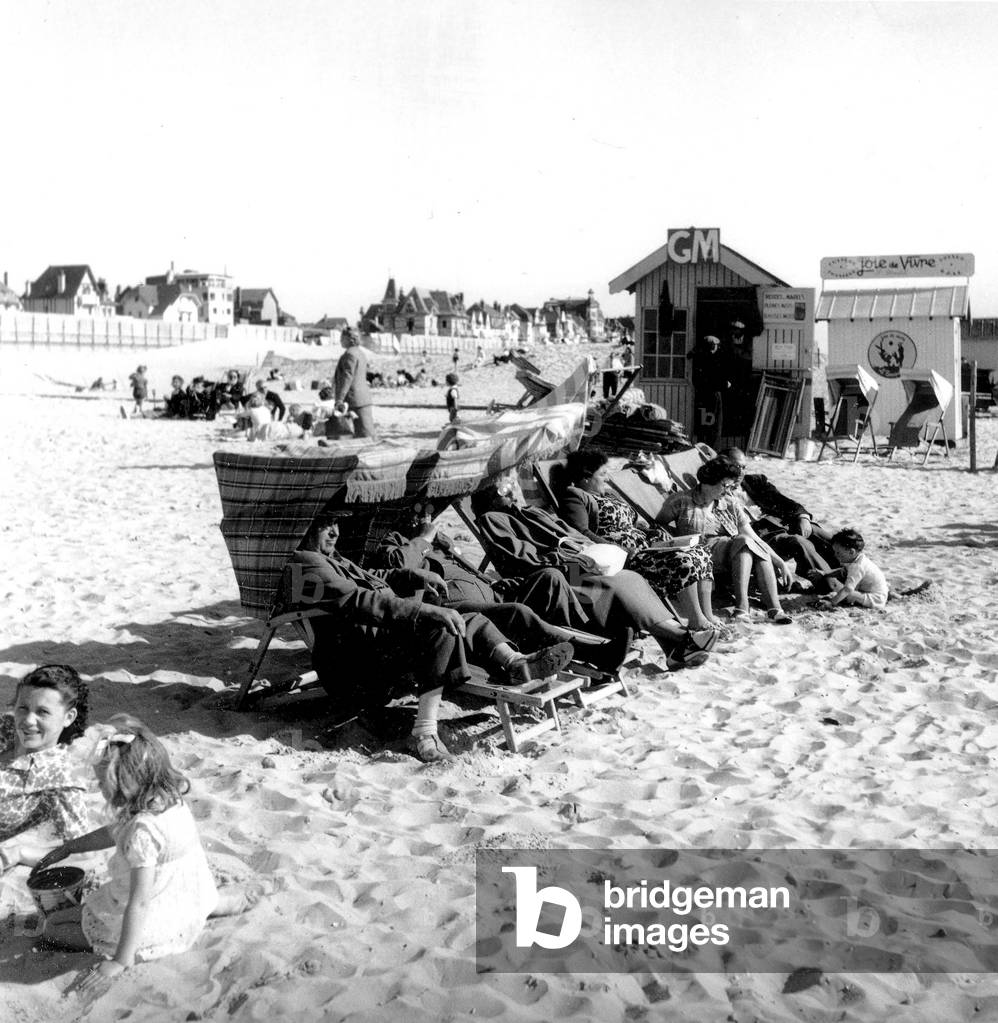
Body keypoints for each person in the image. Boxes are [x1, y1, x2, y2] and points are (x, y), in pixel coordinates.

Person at [279, 516, 576, 762]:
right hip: (355, 666)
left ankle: (515, 662)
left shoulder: (328, 558)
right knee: (439, 626)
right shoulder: (303, 565)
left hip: (374, 645)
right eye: (326, 525)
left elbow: (374, 576)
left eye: (336, 524)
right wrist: (423, 610)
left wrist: (414, 577)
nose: (335, 532)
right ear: (303, 526)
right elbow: (360, 601)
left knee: (468, 619)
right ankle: (424, 734)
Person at [34, 715, 258, 993]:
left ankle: (133, 945)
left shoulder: (142, 833)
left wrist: (120, 961)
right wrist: (69, 847)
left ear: (125, 784)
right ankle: (214, 906)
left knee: (53, 927)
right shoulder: (167, 802)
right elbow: (114, 832)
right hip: (190, 895)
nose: (101, 789)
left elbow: (139, 903)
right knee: (197, 901)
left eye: (103, 784)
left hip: (151, 920)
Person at [471, 477, 717, 669]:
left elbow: (572, 532)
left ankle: (672, 649)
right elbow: (518, 559)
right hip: (561, 570)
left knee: (629, 577)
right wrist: (567, 556)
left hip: (580, 561)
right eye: (504, 490)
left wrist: (590, 549)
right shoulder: (493, 520)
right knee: (611, 586)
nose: (512, 491)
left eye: (510, 486)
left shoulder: (532, 512)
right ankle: (681, 638)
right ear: (490, 497)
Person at [375, 510, 628, 673]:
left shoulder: (445, 546)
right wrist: (423, 539)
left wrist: (498, 584)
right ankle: (594, 654)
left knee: (550, 577)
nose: (426, 519)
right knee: (517, 612)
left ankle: (589, 635)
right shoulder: (397, 544)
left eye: (429, 516)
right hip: (456, 608)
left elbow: (473, 574)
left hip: (492, 594)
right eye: (420, 515)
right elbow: (396, 564)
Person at [551, 451, 719, 633]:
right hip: (624, 557)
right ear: (585, 478)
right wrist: (620, 549)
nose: (607, 478)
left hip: (646, 546)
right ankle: (697, 620)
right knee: (685, 560)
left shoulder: (610, 494)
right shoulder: (575, 496)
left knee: (700, 551)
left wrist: (650, 533)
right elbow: (581, 532)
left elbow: (634, 522)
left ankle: (707, 615)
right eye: (602, 474)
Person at [658, 457, 793, 624]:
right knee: (744, 542)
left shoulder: (728, 503)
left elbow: (753, 537)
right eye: (724, 486)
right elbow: (659, 526)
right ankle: (744, 607)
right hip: (697, 555)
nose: (727, 491)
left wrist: (780, 562)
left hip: (731, 553)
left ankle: (773, 608)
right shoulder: (681, 501)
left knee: (748, 542)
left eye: (730, 487)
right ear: (708, 482)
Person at [0, 665, 90, 872]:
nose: (28, 721)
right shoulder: (5, 727)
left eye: (43, 712)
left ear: (69, 717)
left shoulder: (60, 779)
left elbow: (82, 850)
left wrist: (19, 853)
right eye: (23, 707)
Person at [717, 447, 836, 582]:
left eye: (743, 467)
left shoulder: (754, 482)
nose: (740, 472)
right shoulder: (718, 493)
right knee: (799, 542)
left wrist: (803, 517)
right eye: (736, 467)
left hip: (779, 524)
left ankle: (849, 570)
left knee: (815, 531)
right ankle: (831, 584)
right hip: (762, 538)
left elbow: (784, 502)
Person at [819, 529, 889, 610]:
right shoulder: (858, 559)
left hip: (875, 599)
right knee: (843, 593)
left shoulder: (857, 566)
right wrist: (825, 573)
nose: (835, 555)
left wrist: (832, 602)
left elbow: (848, 589)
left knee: (846, 594)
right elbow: (843, 571)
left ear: (851, 552)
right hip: (876, 593)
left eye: (838, 553)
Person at [333, 328, 375, 439]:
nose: (340, 341)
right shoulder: (360, 352)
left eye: (342, 338)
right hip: (362, 397)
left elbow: (347, 378)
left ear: (349, 339)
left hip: (354, 399)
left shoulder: (349, 354)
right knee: (366, 431)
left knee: (364, 434)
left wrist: (340, 399)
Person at [686, 336, 729, 446]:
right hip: (712, 397)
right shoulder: (710, 359)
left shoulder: (699, 358)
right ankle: (711, 451)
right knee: (713, 426)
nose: (717, 348)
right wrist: (724, 384)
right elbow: (713, 380)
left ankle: (703, 449)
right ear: (712, 346)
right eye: (716, 345)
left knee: (704, 425)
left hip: (702, 397)